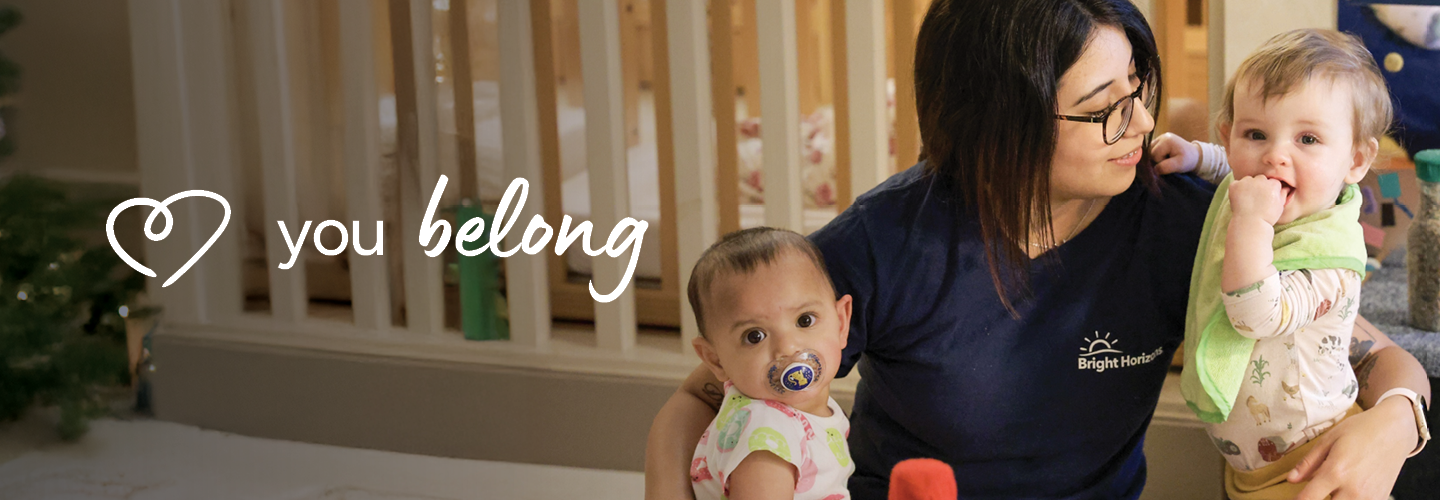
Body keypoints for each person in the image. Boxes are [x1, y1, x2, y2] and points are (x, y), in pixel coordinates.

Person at [645, 1, 1432, 498]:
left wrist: (1394, 425)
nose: (1138, 124)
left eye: (1138, 91)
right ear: (1002, 128)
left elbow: (1377, 359)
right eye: (1101, 110)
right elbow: (699, 397)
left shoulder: (1191, 218)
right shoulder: (886, 242)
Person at [1154, 29, 1428, 499]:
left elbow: (1255, 313)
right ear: (1229, 133)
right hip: (1252, 467)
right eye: (1255, 133)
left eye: (1307, 138)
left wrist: (1252, 223)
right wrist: (1199, 156)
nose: (1275, 155)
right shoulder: (1251, 181)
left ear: (1357, 159)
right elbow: (1234, 166)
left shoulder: (1332, 259)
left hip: (1317, 462)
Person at [684, 227, 856, 499]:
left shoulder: (787, 415)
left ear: (841, 323)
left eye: (805, 320)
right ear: (715, 359)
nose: (787, 347)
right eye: (755, 336)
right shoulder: (767, 437)